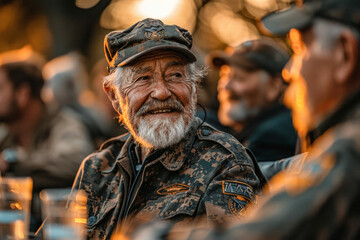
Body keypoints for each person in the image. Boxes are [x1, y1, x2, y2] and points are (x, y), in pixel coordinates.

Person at [131, 0, 360, 239]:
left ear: (346, 53)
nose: (289, 71)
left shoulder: (348, 145)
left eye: (300, 49)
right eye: (226, 76)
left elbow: (266, 229)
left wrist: (152, 235)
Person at [70, 18, 266, 240]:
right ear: (114, 96)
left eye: (175, 76)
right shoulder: (97, 167)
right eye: (143, 78)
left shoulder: (225, 162)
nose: (161, 92)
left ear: (194, 88)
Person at [0, 47, 94, 232]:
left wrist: (14, 164)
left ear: (23, 94)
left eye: (0, 89)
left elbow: (78, 163)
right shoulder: (6, 133)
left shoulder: (64, 124)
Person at [208, 39, 298, 162]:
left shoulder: (271, 138)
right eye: (225, 76)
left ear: (274, 86)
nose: (226, 86)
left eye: (239, 78)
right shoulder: (252, 131)